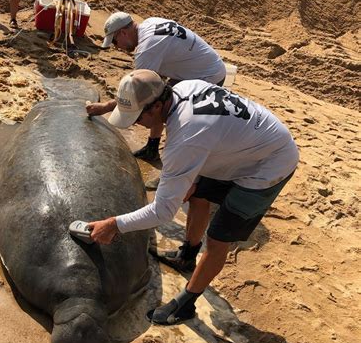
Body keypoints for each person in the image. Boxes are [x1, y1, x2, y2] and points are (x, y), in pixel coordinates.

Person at [87, 70, 299, 325]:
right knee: (196, 194)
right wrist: (192, 180)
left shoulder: (186, 139)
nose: (136, 124)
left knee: (218, 239)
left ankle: (186, 304)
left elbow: (162, 212)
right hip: (239, 146)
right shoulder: (185, 86)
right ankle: (187, 254)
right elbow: (214, 131)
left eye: (137, 118)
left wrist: (114, 225)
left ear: (156, 106)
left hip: (269, 165)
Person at [86, 13, 226, 163]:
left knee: (175, 116)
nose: (116, 47)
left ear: (123, 33)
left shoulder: (147, 49)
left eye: (114, 41)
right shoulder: (150, 23)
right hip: (200, 67)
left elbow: (137, 94)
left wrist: (105, 107)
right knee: (158, 99)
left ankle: (177, 169)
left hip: (208, 76)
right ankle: (152, 148)